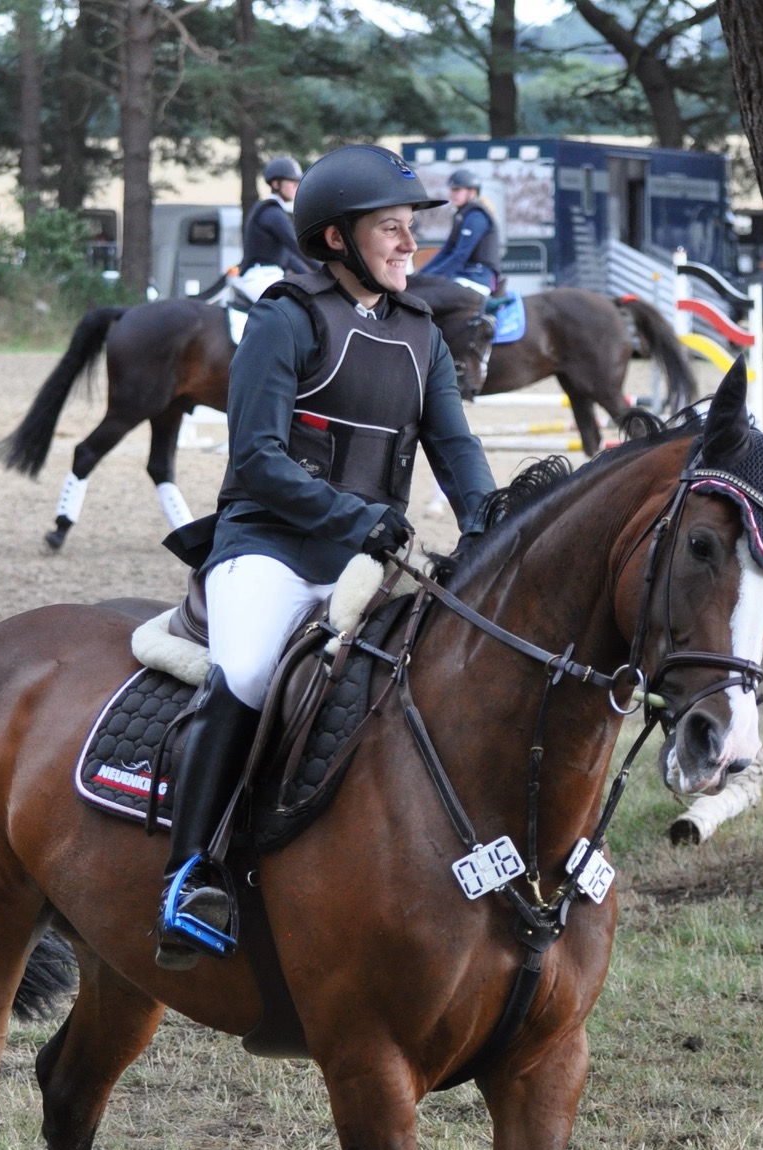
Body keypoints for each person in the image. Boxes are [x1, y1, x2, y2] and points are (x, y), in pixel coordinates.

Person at [154, 144, 498, 968]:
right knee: (248, 672)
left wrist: (494, 526)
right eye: (391, 229)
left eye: (412, 227)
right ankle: (189, 876)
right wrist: (355, 516)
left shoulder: (420, 332)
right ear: (337, 238)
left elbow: (455, 448)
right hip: (270, 547)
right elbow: (259, 459)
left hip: (369, 557)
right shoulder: (287, 318)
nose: (410, 243)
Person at [413, 166, 502, 294]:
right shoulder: (462, 216)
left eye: (457, 190)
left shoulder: (476, 217)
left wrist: (431, 277)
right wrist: (421, 275)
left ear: (471, 192)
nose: (452, 194)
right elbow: (446, 251)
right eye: (452, 190)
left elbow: (460, 255)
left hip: (478, 277)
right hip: (464, 275)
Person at [239, 156, 314, 287]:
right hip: (261, 276)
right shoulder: (272, 213)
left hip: (271, 275)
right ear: (276, 184)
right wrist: (329, 270)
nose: (296, 186)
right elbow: (298, 246)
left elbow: (290, 258)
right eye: (292, 181)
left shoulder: (275, 211)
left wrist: (317, 275)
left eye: (297, 182)